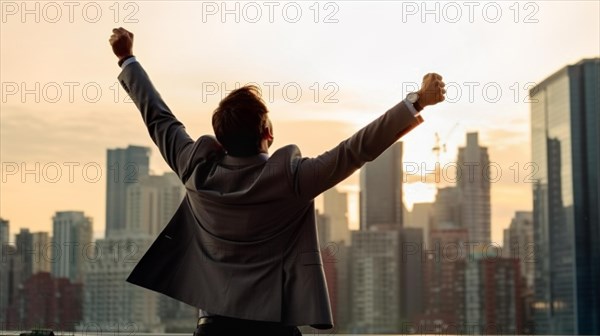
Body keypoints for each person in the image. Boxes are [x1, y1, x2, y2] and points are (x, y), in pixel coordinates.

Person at [109, 27, 446, 336]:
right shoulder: (293, 179)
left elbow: (157, 116)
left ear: (221, 140)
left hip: (212, 330)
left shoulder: (194, 169)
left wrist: (127, 57)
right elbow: (356, 149)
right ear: (268, 133)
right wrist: (417, 100)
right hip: (273, 330)